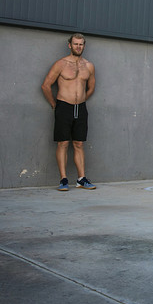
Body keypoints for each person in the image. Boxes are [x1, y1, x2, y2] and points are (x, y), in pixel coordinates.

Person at [41, 33, 97, 191]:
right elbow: (46, 85)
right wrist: (54, 104)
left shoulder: (89, 66)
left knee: (79, 143)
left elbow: (91, 87)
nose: (78, 47)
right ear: (69, 45)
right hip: (63, 106)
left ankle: (81, 179)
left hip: (81, 108)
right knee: (63, 143)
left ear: (84, 46)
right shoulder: (61, 64)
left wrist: (82, 100)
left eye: (81, 44)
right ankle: (63, 179)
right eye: (75, 44)